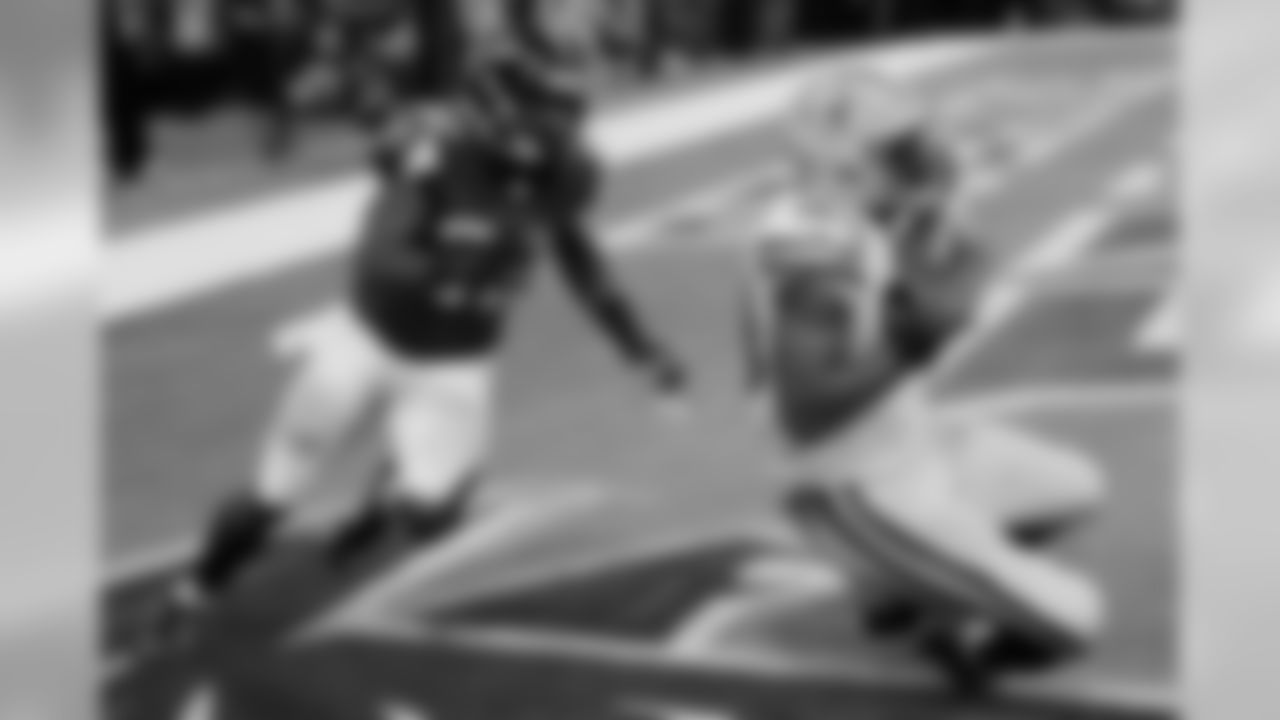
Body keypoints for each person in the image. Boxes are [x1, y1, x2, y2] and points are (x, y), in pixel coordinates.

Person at [142, 63, 687, 650]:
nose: (559, 134)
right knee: (271, 497)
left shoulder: (562, 176)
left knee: (431, 517)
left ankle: (390, 484)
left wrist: (644, 351)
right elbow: (382, 258)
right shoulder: (435, 155)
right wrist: (455, 275)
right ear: (497, 117)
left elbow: (587, 269)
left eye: (564, 121)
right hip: (368, 342)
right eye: (545, 120)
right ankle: (195, 588)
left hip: (454, 364)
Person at [738, 73, 1108, 695]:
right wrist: (921, 335)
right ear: (844, 167)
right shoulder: (808, 250)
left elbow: (922, 278)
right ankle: (925, 601)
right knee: (1076, 618)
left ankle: (899, 590)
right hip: (847, 483)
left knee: (1076, 486)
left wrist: (937, 275)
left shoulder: (864, 219)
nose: (926, 160)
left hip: (908, 448)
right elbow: (808, 409)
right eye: (902, 151)